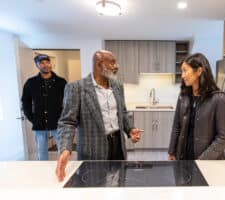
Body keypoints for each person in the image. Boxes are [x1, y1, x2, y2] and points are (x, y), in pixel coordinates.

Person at [56, 50, 143, 182]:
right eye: (112, 63)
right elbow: (67, 122)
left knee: (118, 181)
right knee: (95, 186)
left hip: (118, 146)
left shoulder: (118, 86)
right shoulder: (76, 88)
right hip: (93, 150)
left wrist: (130, 129)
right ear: (99, 65)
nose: (117, 66)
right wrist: (65, 148)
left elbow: (122, 112)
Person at [168, 53, 225, 160]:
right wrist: (172, 152)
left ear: (199, 71)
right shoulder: (183, 96)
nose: (182, 76)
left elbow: (223, 137)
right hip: (183, 158)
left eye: (185, 70)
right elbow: (176, 126)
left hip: (207, 162)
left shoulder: (218, 98)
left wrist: (202, 160)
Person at [21, 54, 67, 160]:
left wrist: (64, 117)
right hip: (39, 123)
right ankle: (44, 172)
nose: (46, 65)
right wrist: (31, 118)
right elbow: (25, 101)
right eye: (42, 63)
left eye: (47, 62)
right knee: (41, 152)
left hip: (58, 122)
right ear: (37, 65)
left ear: (51, 64)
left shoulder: (61, 82)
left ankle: (64, 171)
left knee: (63, 150)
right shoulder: (31, 82)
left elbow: (69, 101)